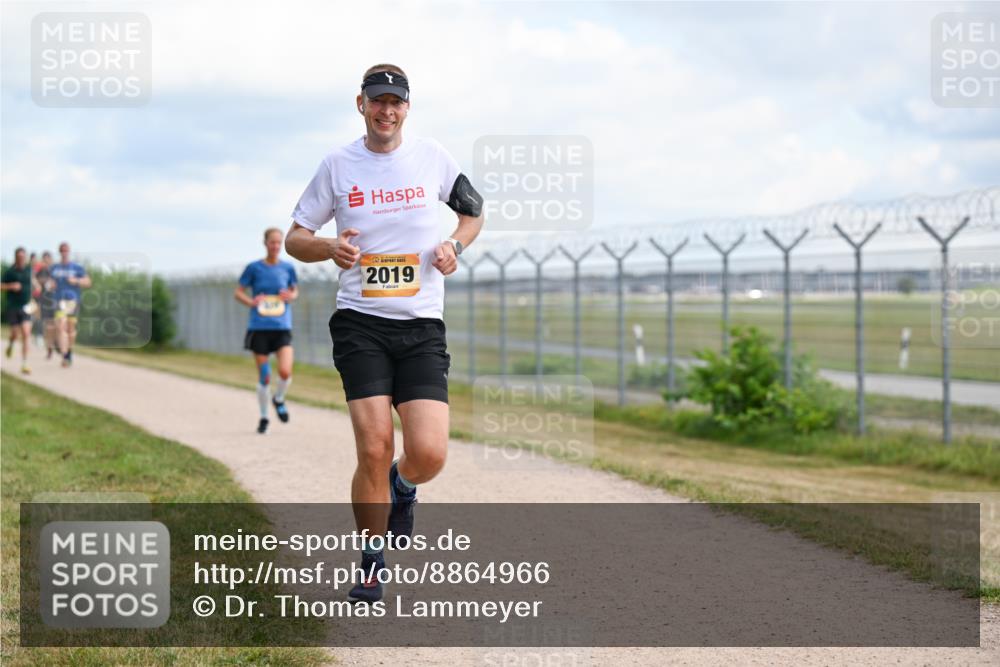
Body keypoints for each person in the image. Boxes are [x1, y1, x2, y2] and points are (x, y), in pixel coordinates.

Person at [285, 63, 484, 603]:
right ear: (361, 104)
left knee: (430, 453)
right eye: (378, 101)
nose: (386, 110)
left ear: (407, 107)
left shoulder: (433, 158)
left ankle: (403, 485)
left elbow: (473, 212)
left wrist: (454, 247)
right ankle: (372, 561)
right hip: (360, 324)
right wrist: (329, 248)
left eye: (395, 102)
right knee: (373, 447)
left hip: (421, 325)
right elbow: (295, 238)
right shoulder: (337, 165)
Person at [234, 228, 299, 434]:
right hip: (259, 328)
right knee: (265, 377)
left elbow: (294, 290)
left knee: (285, 371)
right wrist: (252, 302)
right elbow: (238, 292)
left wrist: (291, 295)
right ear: (265, 243)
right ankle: (264, 418)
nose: (276, 246)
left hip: (282, 327)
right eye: (272, 243)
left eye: (279, 243)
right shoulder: (254, 268)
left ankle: (278, 398)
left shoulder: (288, 268)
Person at [50, 242, 91, 367]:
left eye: (66, 250)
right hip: (59, 300)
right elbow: (48, 282)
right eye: (62, 250)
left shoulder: (77, 268)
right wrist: (50, 285)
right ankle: (64, 355)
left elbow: (88, 282)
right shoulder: (54, 268)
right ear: (59, 252)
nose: (64, 252)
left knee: (71, 329)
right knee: (61, 325)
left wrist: (76, 280)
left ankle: (68, 351)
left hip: (73, 301)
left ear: (69, 251)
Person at [2, 247, 35, 374]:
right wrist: (11, 286)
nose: (22, 259)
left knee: (26, 334)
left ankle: (25, 364)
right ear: (16, 257)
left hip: (26, 307)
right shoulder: (9, 272)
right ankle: (11, 344)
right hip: (13, 307)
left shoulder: (28, 270)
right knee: (15, 334)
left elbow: (33, 282)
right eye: (19, 257)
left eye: (23, 257)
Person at [34, 252, 59, 359]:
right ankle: (49, 349)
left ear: (51, 260)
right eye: (45, 260)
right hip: (45, 301)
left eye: (48, 259)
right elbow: (34, 279)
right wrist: (42, 282)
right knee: (48, 326)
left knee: (57, 325)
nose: (47, 262)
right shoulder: (41, 271)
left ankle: (57, 343)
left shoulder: (56, 271)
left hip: (56, 301)